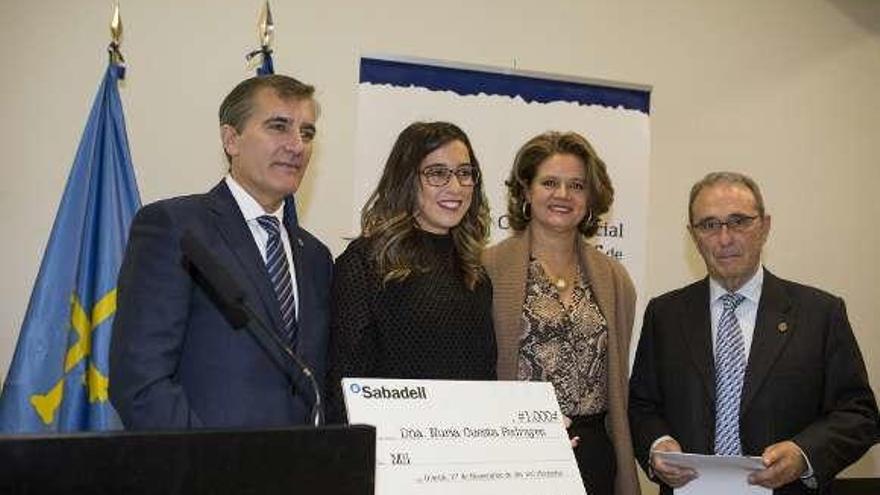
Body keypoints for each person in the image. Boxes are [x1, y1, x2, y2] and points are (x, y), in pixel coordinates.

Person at [629, 171, 878, 494]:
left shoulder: (820, 314)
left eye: (739, 221)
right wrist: (657, 444)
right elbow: (642, 406)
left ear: (765, 226)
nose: (724, 238)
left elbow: (858, 414)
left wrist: (803, 455)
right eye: (708, 225)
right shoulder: (665, 314)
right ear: (693, 236)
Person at [109, 75, 332, 429]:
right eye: (279, 127)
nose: (297, 145)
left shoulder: (317, 257)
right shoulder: (174, 227)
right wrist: (208, 466)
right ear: (231, 140)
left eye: (307, 133)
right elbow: (140, 382)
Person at [483, 131, 641, 495]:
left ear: (591, 197)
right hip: (516, 454)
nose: (563, 195)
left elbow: (617, 379)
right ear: (526, 190)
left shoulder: (614, 278)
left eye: (577, 185)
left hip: (594, 457)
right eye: (549, 183)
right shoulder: (488, 267)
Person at [325, 121, 496, 423]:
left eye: (464, 173)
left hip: (463, 453)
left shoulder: (475, 272)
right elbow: (344, 389)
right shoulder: (364, 262)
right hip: (390, 456)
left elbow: (484, 382)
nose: (455, 187)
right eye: (437, 173)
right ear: (406, 180)